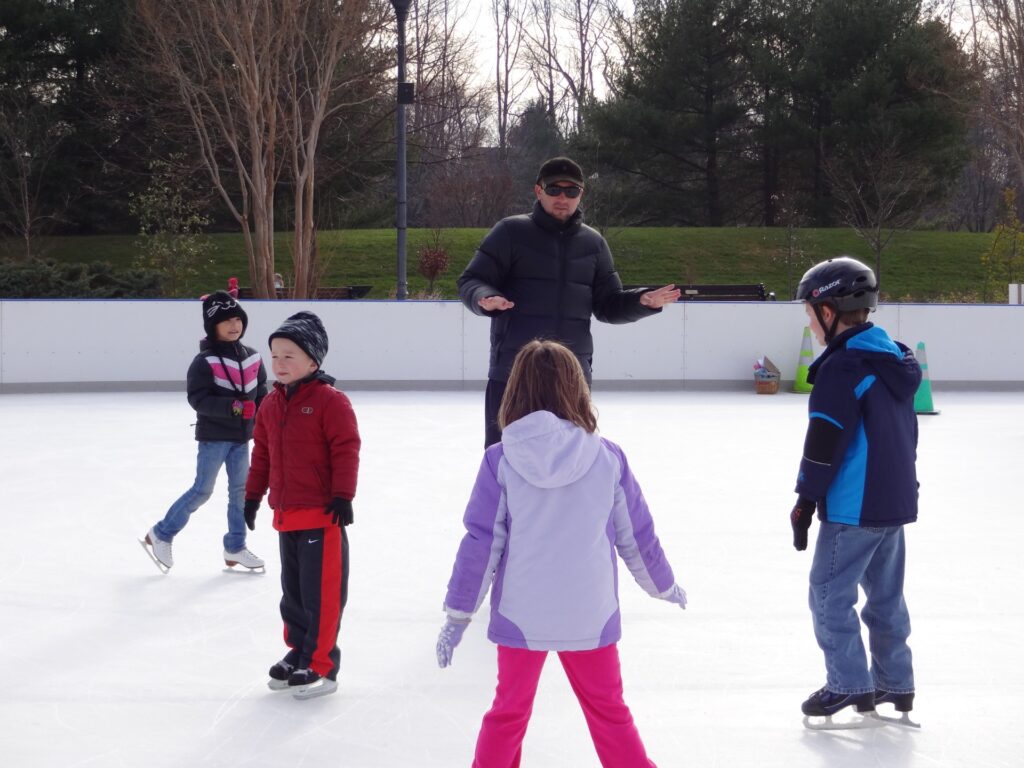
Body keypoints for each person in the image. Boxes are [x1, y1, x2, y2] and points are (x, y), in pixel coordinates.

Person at [436, 339, 687, 767]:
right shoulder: (608, 458)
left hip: (522, 613)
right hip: (591, 612)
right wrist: (664, 585)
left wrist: (458, 615)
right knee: (609, 712)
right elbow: (638, 537)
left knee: (508, 713)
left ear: (515, 390)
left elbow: (480, 545)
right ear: (577, 389)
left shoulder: (500, 460)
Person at [457, 156, 681, 447]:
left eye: (571, 191)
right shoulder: (510, 232)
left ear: (581, 195)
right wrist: (483, 297)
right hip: (514, 373)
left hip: (571, 375)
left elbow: (608, 305)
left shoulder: (594, 244)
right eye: (554, 190)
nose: (562, 198)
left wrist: (642, 301)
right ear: (539, 191)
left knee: (572, 461)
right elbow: (471, 280)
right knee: (506, 460)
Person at [789, 256, 922, 727]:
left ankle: (848, 684)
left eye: (810, 312)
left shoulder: (843, 367)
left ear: (829, 311)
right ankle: (895, 681)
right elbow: (907, 435)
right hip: (894, 504)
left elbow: (824, 443)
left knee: (827, 593)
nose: (809, 322)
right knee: (885, 597)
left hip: (853, 507)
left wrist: (806, 500)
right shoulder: (891, 358)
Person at [243, 311, 361, 700]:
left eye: (289, 356)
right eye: (274, 356)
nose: (279, 364)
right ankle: (299, 652)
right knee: (292, 594)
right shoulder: (271, 405)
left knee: (321, 595)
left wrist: (344, 496)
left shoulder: (331, 402)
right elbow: (262, 455)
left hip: (322, 516)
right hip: (286, 516)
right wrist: (252, 496)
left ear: (313, 361)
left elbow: (346, 450)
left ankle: (322, 664)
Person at [140, 291, 268, 574]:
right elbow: (198, 399)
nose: (234, 325)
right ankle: (161, 533)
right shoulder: (204, 361)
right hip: (214, 437)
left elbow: (261, 393)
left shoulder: (253, 357)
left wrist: (260, 416)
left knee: (240, 493)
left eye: (237, 319)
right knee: (202, 490)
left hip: (241, 439)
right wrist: (234, 408)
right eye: (226, 321)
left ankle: (235, 547)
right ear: (213, 327)